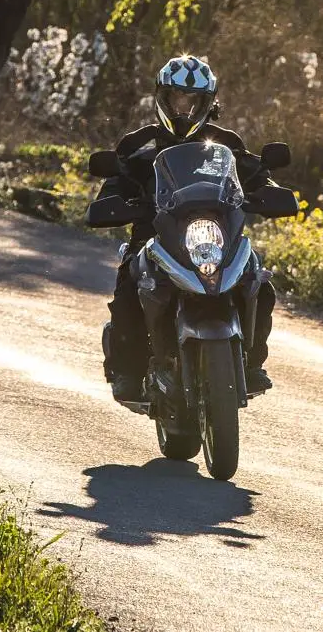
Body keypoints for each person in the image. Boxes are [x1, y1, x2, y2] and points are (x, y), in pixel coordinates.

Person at [98, 54, 279, 403]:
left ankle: (252, 363)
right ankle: (129, 371)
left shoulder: (227, 143)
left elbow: (258, 175)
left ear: (207, 103)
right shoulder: (138, 145)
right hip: (153, 236)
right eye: (176, 98)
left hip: (216, 237)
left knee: (258, 279)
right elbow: (114, 180)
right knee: (128, 289)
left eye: (192, 100)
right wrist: (112, 201)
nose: (183, 108)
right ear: (161, 98)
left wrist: (269, 192)